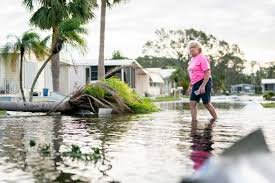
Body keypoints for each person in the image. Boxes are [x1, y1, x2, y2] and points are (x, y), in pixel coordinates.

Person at [187, 40, 217, 122]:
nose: (191, 49)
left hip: (205, 81)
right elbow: (193, 74)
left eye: (193, 47)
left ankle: (216, 119)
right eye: (190, 47)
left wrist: (203, 85)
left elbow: (207, 72)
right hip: (195, 83)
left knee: (206, 103)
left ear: (199, 49)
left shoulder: (202, 58)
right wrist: (190, 85)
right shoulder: (192, 60)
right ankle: (194, 121)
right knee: (192, 103)